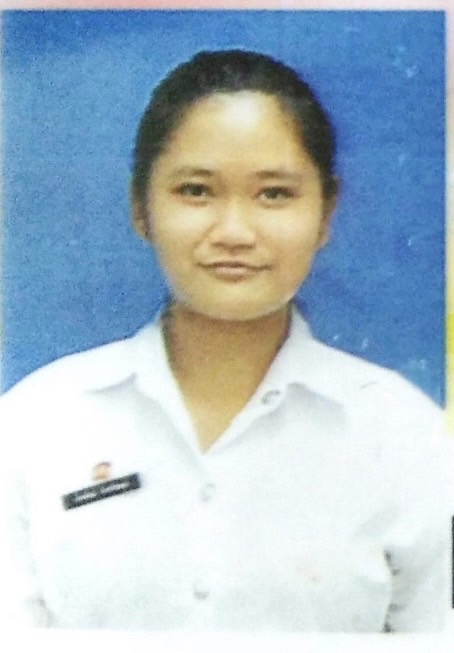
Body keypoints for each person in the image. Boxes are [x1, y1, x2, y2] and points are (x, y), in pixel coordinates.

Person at [0, 49, 450, 632]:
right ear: (141, 207)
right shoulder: (37, 424)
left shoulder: (407, 436)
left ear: (326, 212)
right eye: (196, 191)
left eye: (274, 194)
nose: (234, 232)